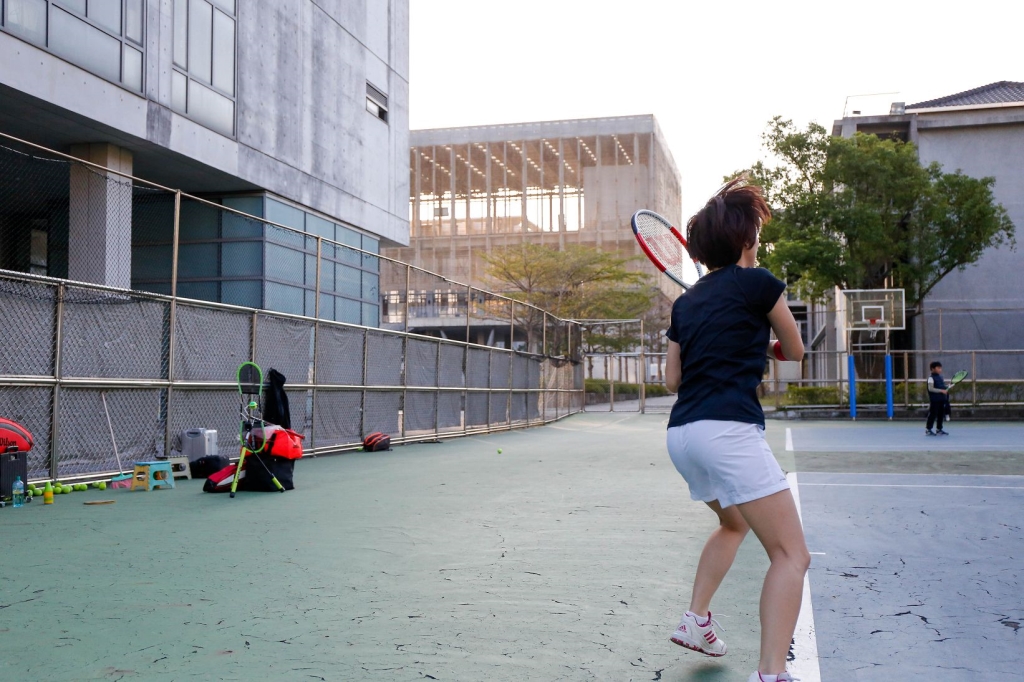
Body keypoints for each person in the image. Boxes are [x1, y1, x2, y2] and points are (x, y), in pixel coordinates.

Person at [663, 177, 809, 682]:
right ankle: (771, 674)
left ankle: (696, 619)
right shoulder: (759, 283)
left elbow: (672, 379)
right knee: (790, 554)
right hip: (727, 432)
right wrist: (766, 345)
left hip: (682, 436)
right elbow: (795, 351)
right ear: (747, 238)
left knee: (734, 523)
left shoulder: (685, 304)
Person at [926, 361, 949, 436]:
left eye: (940, 368)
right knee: (933, 414)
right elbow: (931, 389)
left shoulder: (940, 377)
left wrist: (946, 387)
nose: (940, 369)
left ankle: (939, 429)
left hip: (942, 399)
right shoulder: (931, 378)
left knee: (941, 415)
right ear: (933, 369)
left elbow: (942, 386)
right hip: (934, 400)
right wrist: (941, 391)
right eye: (938, 368)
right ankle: (928, 429)